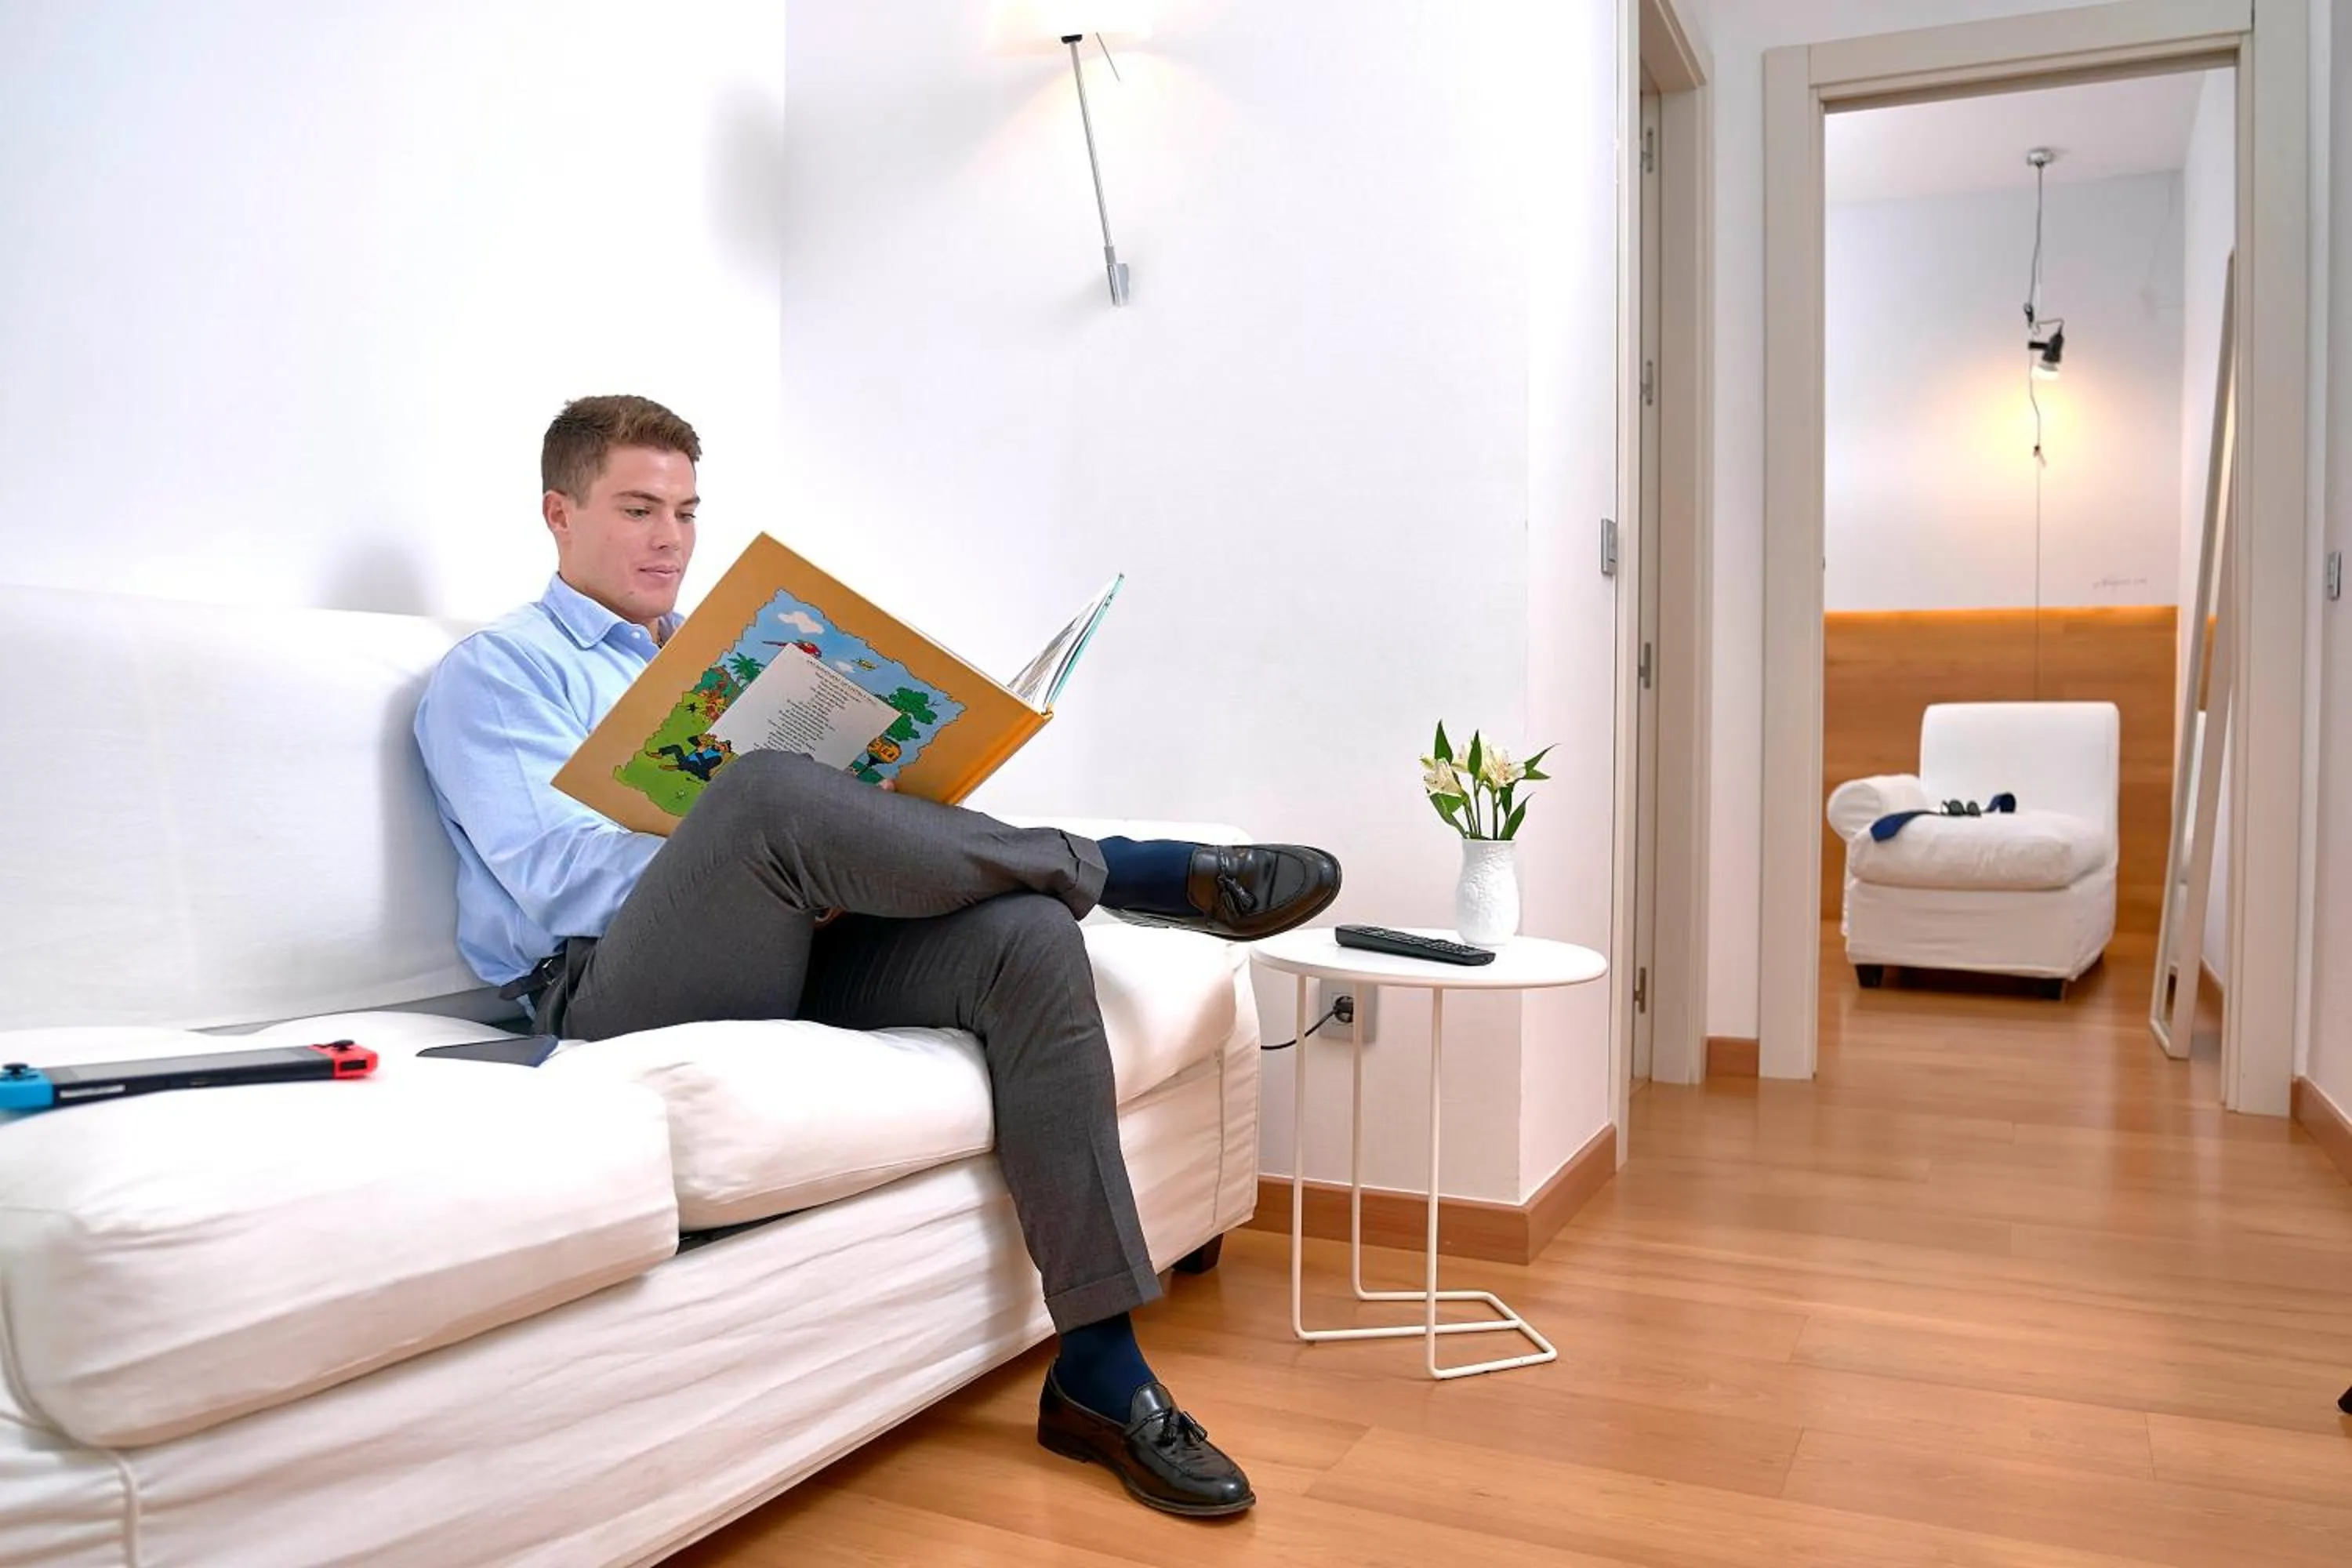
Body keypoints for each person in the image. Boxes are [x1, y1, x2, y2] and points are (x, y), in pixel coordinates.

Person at [412, 394, 1341, 1519]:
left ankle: (1100, 1369)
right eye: (638, 510)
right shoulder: (497, 674)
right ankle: (1130, 872)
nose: (670, 539)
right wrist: (744, 835)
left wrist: (862, 821)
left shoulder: (716, 662)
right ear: (559, 514)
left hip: (791, 935)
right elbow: (557, 877)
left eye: (688, 513)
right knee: (761, 794)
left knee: (1027, 939)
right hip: (604, 985)